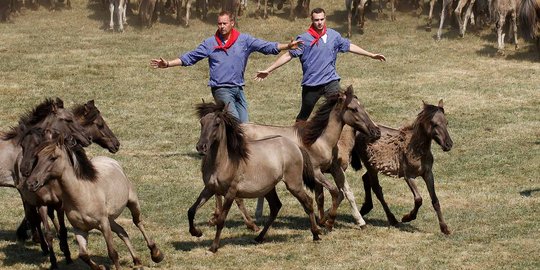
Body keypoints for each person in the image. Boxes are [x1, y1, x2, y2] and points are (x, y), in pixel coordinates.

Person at [150, 10, 301, 123]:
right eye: (219, 24)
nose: (221, 26)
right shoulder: (210, 43)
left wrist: (287, 46)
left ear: (232, 23)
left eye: (225, 23)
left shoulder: (244, 40)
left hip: (238, 88)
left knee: (245, 125)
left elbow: (266, 46)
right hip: (221, 88)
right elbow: (190, 57)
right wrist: (168, 63)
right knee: (234, 123)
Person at [255, 7, 386, 121]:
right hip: (311, 84)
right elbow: (288, 55)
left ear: (325, 19)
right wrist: (269, 70)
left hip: (331, 81)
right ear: (312, 21)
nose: (319, 23)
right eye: (316, 20)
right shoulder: (304, 39)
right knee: (303, 116)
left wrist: (371, 55)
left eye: (321, 19)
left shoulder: (334, 36)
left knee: (339, 110)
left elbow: (349, 46)